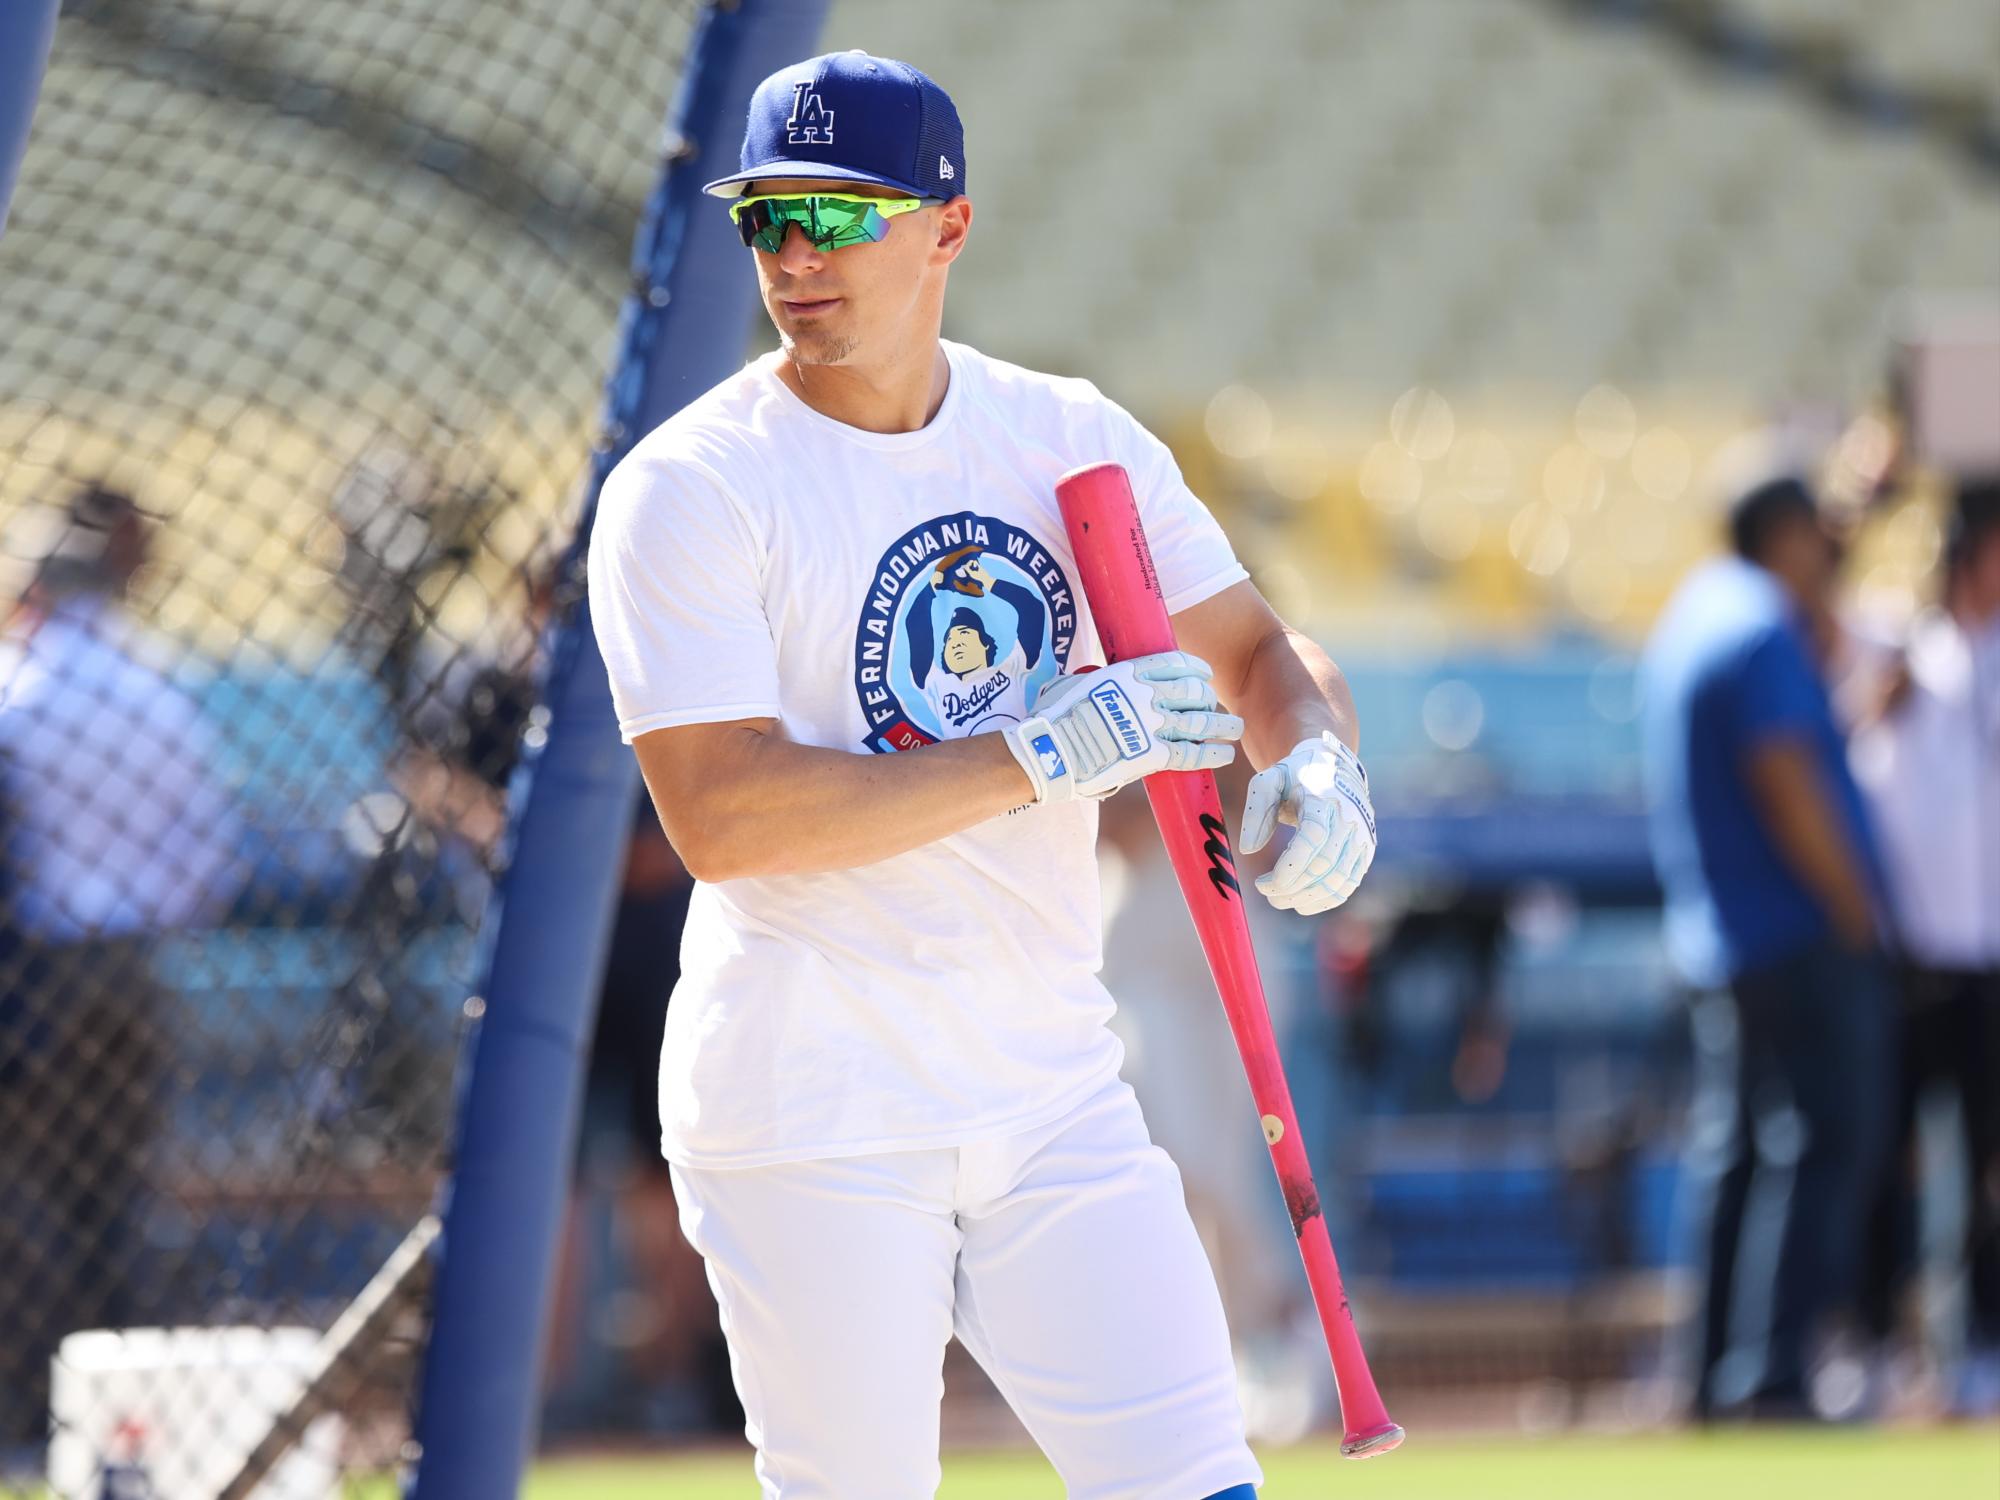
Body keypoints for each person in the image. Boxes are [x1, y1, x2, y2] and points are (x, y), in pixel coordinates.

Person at [586, 51, 1378, 1500]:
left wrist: (1321, 771)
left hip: (1046, 1083)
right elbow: (728, 815)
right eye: (767, 219)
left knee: (1199, 1482)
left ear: (949, 225)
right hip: (810, 1101)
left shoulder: (1065, 437)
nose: (792, 255)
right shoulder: (688, 490)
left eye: (837, 218)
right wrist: (1038, 751)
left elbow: (1259, 657)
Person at [1640, 460, 1893, 1422]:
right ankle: (1775, 1376)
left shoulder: (1700, 612)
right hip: (1790, 932)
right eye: (1818, 539)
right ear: (1785, 536)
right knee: (1821, 1142)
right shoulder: (1756, 625)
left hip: (1722, 935)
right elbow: (1785, 774)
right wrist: (1855, 905)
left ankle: (1713, 1377)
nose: (1828, 558)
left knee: (1739, 1151)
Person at [0, 483, 245, 1449]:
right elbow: (211, 861)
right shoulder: (155, 685)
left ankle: (28, 1407)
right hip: (137, 972)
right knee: (116, 1194)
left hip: (34, 972)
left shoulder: (19, 686)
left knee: (25, 1190)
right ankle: (114, 1413)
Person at [1850, 478, 2000, 1414]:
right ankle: (1876, 1342)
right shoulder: (1901, 654)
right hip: (1911, 959)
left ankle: (1979, 1344)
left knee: (1988, 1168)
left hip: (1990, 963)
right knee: (1888, 1161)